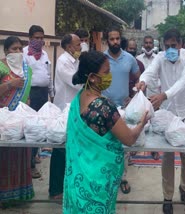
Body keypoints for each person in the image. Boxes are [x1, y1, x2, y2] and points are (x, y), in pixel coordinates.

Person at [63, 50, 148, 214]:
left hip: (78, 179)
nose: (110, 76)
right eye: (106, 72)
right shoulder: (103, 107)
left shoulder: (79, 98)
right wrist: (142, 123)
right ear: (92, 77)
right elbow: (129, 139)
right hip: (97, 182)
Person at [136, 28, 185, 214]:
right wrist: (142, 81)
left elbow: (184, 82)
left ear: (180, 44)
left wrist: (164, 95)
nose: (170, 49)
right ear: (163, 45)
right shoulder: (160, 57)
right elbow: (149, 72)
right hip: (168, 115)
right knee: (168, 156)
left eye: (173, 45)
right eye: (167, 45)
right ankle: (167, 197)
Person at [102, 27, 140, 195]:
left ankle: (122, 178)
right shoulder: (101, 59)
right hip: (104, 108)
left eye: (117, 38)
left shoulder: (130, 59)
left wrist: (133, 96)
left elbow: (139, 79)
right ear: (107, 41)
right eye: (112, 39)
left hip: (124, 109)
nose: (115, 42)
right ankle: (106, 178)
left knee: (123, 145)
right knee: (105, 144)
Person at [0, 36, 34, 207]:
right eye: (14, 49)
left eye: (21, 49)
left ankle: (19, 194)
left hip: (19, 123)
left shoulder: (27, 70)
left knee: (20, 156)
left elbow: (26, 96)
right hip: (2, 124)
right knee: (3, 157)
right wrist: (10, 84)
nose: (18, 52)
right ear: (6, 51)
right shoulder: (0, 66)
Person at [49, 34, 82, 200]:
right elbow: (75, 81)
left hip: (73, 109)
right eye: (78, 44)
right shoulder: (63, 61)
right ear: (69, 46)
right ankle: (55, 191)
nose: (80, 46)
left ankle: (67, 187)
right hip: (63, 109)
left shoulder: (75, 61)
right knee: (60, 150)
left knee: (71, 149)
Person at [23, 25, 54, 179]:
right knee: (30, 128)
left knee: (40, 126)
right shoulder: (23, 54)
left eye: (42, 38)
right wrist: (26, 96)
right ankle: (30, 165)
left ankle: (34, 155)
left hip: (42, 94)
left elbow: (48, 75)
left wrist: (51, 94)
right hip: (30, 95)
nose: (40, 40)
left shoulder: (45, 55)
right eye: (37, 38)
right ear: (30, 38)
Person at [136, 35, 160, 160]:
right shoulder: (138, 59)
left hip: (155, 95)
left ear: (154, 44)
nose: (148, 45)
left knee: (155, 123)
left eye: (150, 43)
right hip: (141, 96)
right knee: (141, 121)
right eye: (146, 43)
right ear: (143, 44)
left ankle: (155, 150)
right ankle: (137, 146)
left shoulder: (159, 58)